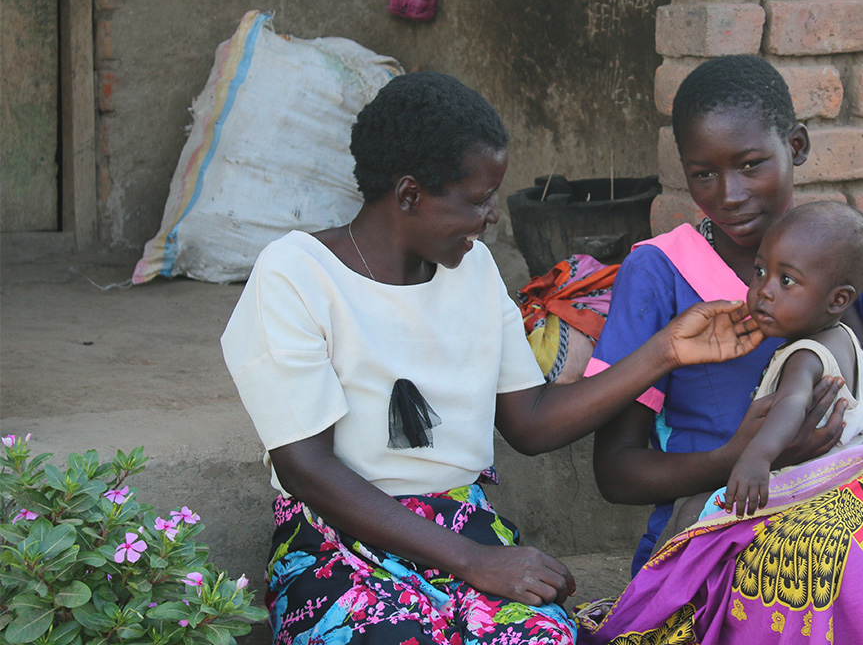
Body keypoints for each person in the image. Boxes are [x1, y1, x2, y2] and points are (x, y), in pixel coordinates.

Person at [219, 71, 767, 644]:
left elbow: (529, 422)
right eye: (479, 200)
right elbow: (307, 469)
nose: (493, 217)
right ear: (409, 195)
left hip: (463, 523)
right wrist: (473, 562)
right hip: (335, 538)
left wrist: (665, 351)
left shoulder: (474, 270)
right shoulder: (295, 275)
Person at [589, 55, 863, 575]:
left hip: (833, 524)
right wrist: (743, 460)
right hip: (711, 531)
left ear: (796, 147)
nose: (730, 195)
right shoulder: (659, 271)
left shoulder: (861, 247)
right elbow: (616, 471)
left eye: (750, 165)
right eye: (703, 174)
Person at [718, 201, 863, 519]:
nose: (764, 290)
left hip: (798, 498)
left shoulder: (805, 355)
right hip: (840, 494)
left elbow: (793, 400)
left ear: (838, 300)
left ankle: (655, 572)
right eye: (761, 272)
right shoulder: (845, 340)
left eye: (787, 281)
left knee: (690, 511)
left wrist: (757, 458)